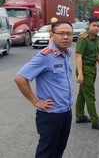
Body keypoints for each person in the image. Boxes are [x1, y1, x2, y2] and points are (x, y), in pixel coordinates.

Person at [14, 21, 74, 158]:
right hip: (50, 114)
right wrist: (35, 101)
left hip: (66, 111)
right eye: (61, 33)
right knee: (46, 152)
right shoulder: (44, 56)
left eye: (69, 34)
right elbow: (20, 78)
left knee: (59, 148)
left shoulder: (66, 54)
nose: (66, 37)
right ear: (52, 35)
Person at [75, 17, 99, 130]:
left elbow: (98, 54)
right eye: (94, 25)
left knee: (82, 92)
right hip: (84, 68)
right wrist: (80, 74)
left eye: (98, 26)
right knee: (90, 95)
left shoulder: (97, 39)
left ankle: (79, 116)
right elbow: (78, 56)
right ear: (89, 25)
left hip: (92, 68)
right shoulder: (83, 39)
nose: (96, 28)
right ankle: (95, 121)